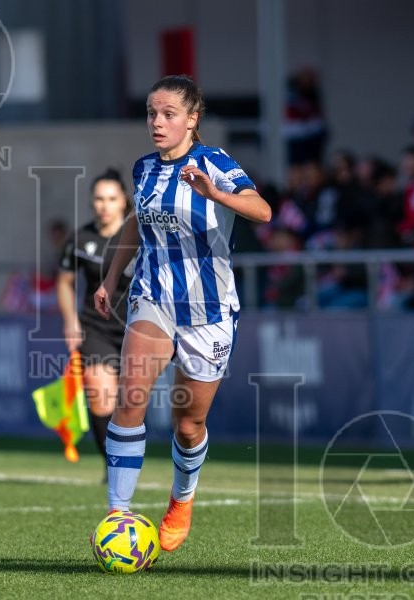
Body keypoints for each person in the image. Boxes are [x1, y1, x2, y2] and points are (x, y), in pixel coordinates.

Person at [93, 74, 271, 552]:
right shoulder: (144, 168)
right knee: (131, 397)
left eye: (169, 114)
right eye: (152, 113)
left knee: (187, 424)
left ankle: (182, 499)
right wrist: (112, 278)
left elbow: (262, 211)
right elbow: (136, 221)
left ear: (192, 119)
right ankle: (118, 515)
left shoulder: (215, 163)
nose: (157, 122)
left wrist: (216, 195)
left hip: (208, 308)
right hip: (153, 297)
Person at [56, 169, 132, 480]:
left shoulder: (137, 235)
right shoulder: (80, 238)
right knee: (101, 398)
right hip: (95, 327)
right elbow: (64, 283)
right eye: (99, 199)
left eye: (111, 198)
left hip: (137, 328)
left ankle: (125, 460)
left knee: (129, 404)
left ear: (124, 201)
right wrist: (70, 320)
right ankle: (112, 466)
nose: (104, 205)